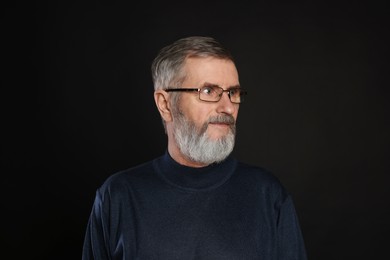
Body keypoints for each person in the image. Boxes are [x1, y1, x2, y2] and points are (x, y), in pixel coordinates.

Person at [82, 36, 308, 259]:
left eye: (233, 93)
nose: (228, 107)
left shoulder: (267, 194)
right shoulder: (118, 196)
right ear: (165, 104)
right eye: (208, 91)